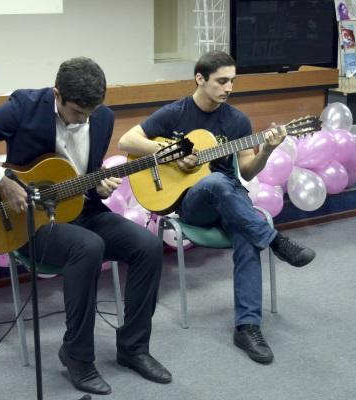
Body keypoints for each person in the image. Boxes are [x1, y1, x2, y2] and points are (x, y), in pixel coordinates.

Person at [0, 57, 171, 395]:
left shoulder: (102, 117)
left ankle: (133, 348)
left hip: (80, 211)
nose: (85, 120)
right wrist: (2, 180)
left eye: (91, 112)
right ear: (57, 94)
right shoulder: (24, 106)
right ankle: (77, 356)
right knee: (87, 247)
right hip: (27, 221)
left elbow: (82, 177)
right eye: (77, 112)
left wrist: (98, 185)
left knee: (147, 245)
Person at [118, 51, 316, 365]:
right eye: (222, 81)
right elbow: (127, 141)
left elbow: (247, 171)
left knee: (245, 230)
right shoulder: (176, 112)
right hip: (192, 204)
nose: (229, 88)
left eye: (232, 81)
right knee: (216, 183)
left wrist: (266, 150)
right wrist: (171, 152)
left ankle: (247, 327)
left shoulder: (238, 121)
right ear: (200, 78)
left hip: (232, 202)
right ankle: (276, 240)